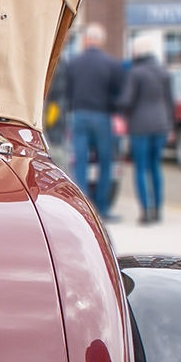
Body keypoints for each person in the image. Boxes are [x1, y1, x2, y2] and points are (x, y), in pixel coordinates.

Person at [65, 23, 125, 221]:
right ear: (101, 40)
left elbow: (68, 91)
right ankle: (103, 207)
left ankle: (83, 209)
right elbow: (118, 93)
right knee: (105, 162)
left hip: (79, 115)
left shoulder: (74, 64)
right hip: (102, 117)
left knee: (79, 161)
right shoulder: (112, 64)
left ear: (86, 40)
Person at [117, 33, 174, 225]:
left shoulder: (135, 73)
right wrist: (170, 126)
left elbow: (127, 100)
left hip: (140, 126)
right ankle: (158, 210)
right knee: (156, 167)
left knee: (140, 168)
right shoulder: (163, 71)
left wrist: (118, 106)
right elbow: (169, 101)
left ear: (137, 51)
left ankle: (146, 212)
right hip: (160, 124)